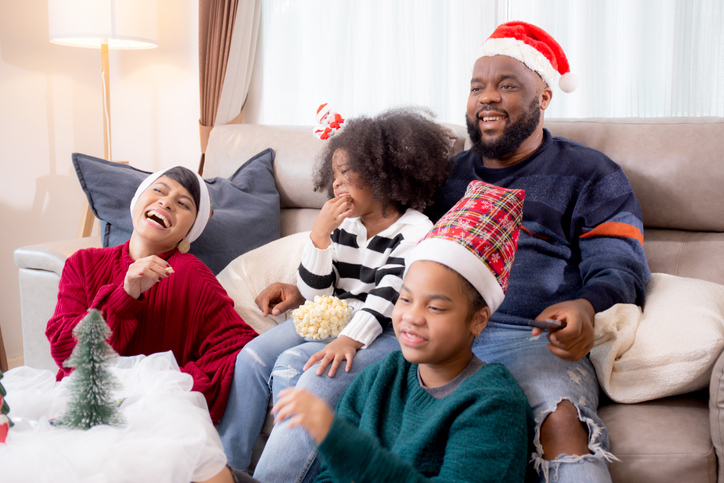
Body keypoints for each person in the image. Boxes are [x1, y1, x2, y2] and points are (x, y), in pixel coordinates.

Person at [424, 22, 650, 482]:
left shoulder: (590, 172)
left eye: (507, 86)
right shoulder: (440, 177)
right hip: (431, 328)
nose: (487, 97)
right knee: (323, 378)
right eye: (476, 87)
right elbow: (384, 245)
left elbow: (621, 264)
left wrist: (586, 305)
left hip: (527, 335)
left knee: (563, 421)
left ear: (543, 97)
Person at [230, 181, 533, 483]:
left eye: (436, 308)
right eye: (405, 298)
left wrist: (342, 443)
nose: (412, 317)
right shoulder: (380, 378)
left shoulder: (494, 404)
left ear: (478, 320)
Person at [217, 107, 455, 476]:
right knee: (251, 357)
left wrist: (349, 339)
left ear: (385, 177)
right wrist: (319, 235)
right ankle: (227, 466)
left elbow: (386, 298)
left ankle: (283, 470)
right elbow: (317, 295)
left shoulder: (414, 231)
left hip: (377, 329)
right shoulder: (345, 225)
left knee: (292, 365)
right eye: (334, 176)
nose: (337, 185)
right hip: (333, 315)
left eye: (347, 174)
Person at [46, 165, 258, 424]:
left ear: (189, 231)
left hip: (147, 423)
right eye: (159, 190)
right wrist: (124, 295)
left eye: (183, 203)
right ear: (137, 201)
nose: (167, 203)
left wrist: (167, 384)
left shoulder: (191, 273)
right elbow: (67, 353)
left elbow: (237, 347)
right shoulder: (82, 263)